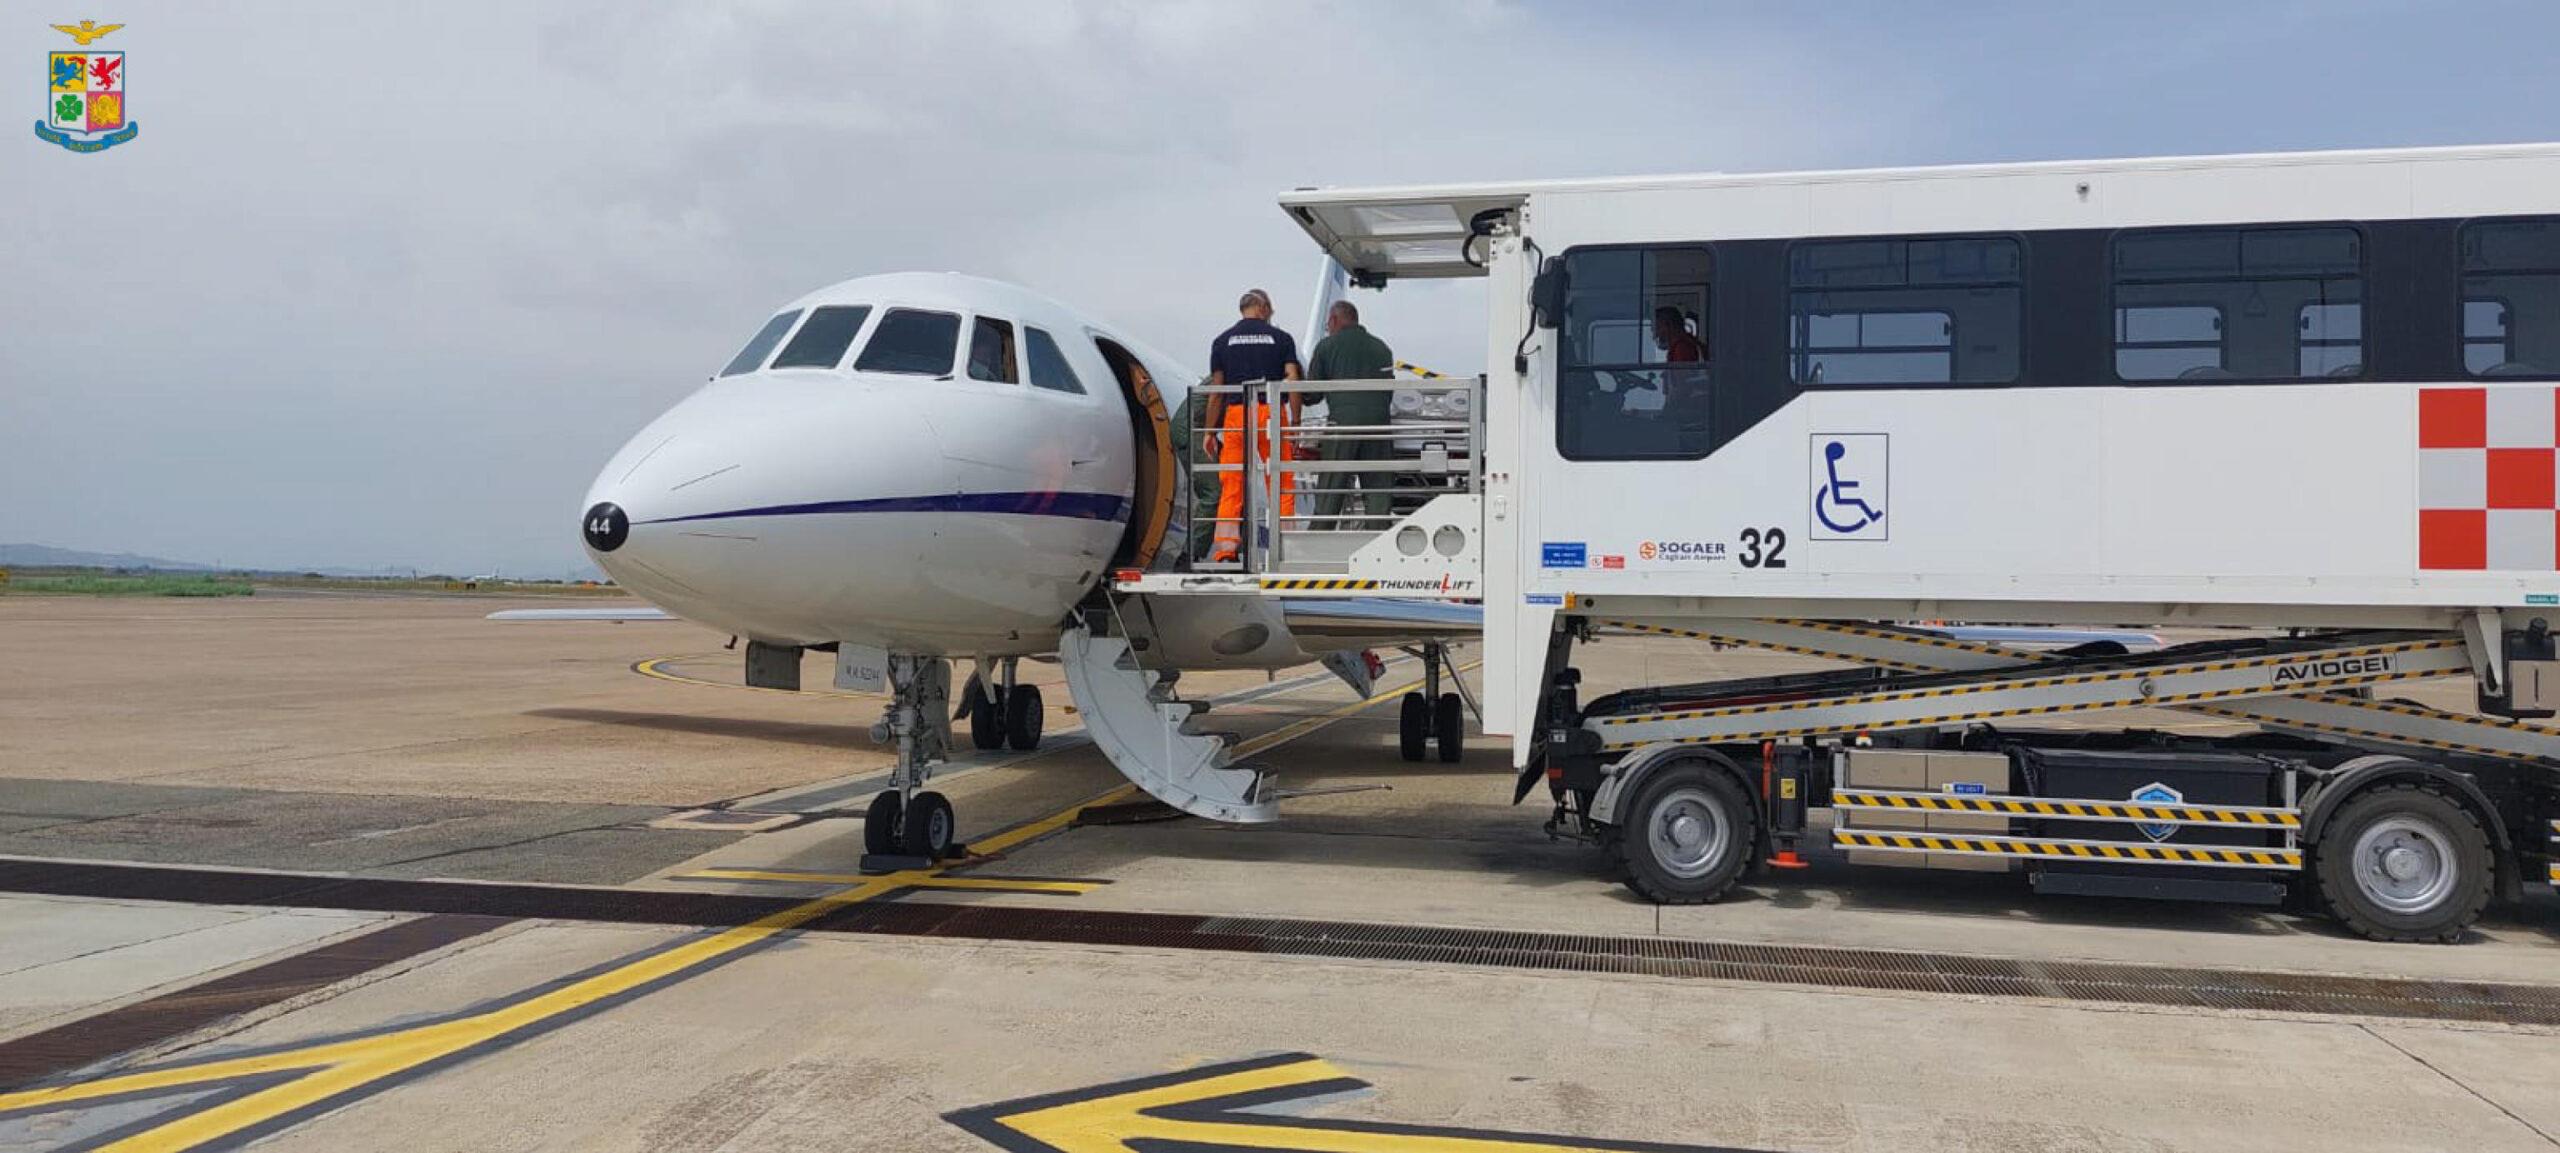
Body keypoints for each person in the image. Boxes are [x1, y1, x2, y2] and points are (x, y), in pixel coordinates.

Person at [1203, 289, 1302, 563]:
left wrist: (1210, 431)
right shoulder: (1281, 339)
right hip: (1270, 411)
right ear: (1263, 307)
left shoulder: (1222, 341)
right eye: (1270, 309)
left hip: (1236, 414)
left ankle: (1225, 549)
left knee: (1232, 482)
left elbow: (1217, 390)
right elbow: (1292, 380)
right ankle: (1283, 546)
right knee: (1280, 480)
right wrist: (1295, 422)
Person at [1305, 300, 1397, 531]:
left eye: (1328, 325)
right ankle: (1378, 537)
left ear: (1335, 320)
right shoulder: (1382, 348)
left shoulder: (1327, 346)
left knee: (1331, 486)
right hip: (1379, 427)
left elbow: (1311, 395)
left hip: (1342, 425)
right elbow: (1389, 389)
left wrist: (1293, 386)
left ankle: (1318, 538)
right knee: (1378, 487)